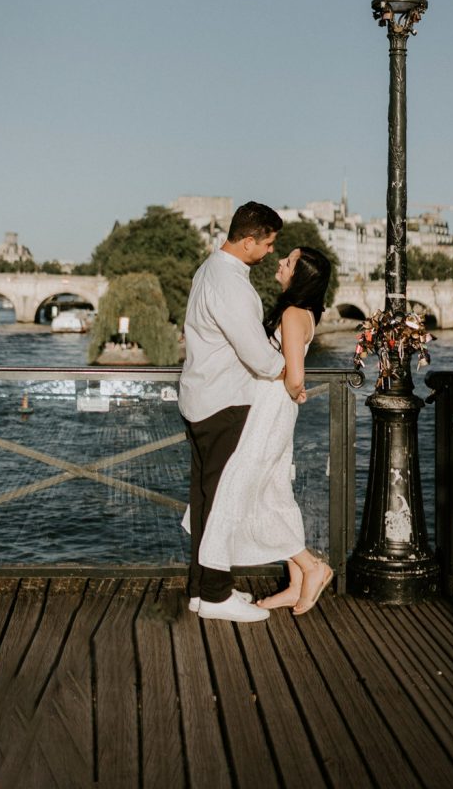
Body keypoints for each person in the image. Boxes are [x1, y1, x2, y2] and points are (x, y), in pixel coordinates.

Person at [198, 245, 334, 616]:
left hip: (269, 409)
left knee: (245, 490)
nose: (280, 263)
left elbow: (294, 374)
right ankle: (295, 582)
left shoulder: (291, 313)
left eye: (288, 262)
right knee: (273, 491)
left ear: (300, 276)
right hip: (276, 408)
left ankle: (310, 566)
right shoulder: (306, 313)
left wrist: (295, 391)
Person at [178, 201, 286, 623]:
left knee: (205, 500)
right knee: (223, 502)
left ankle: (201, 590)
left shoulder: (209, 270)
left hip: (200, 398)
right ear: (248, 241)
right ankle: (217, 596)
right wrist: (290, 375)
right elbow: (258, 356)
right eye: (268, 244)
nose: (271, 253)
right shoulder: (233, 285)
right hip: (223, 402)